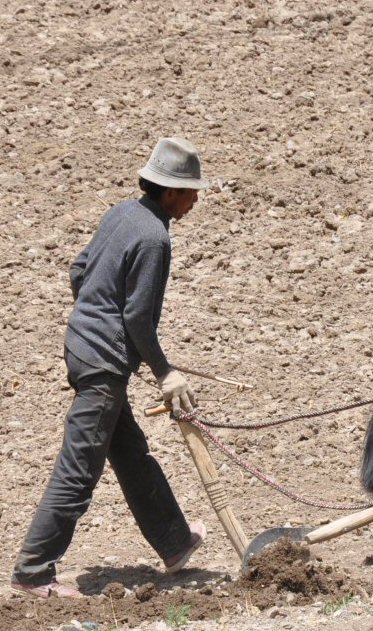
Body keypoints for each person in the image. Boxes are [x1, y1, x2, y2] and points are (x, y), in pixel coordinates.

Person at [10, 137, 211, 598]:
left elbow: (80, 272)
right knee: (78, 470)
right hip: (101, 366)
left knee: (129, 454)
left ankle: (175, 541)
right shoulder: (155, 237)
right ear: (170, 192)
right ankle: (33, 573)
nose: (196, 200)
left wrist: (97, 323)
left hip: (83, 348)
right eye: (191, 191)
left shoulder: (122, 213)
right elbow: (138, 316)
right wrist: (164, 371)